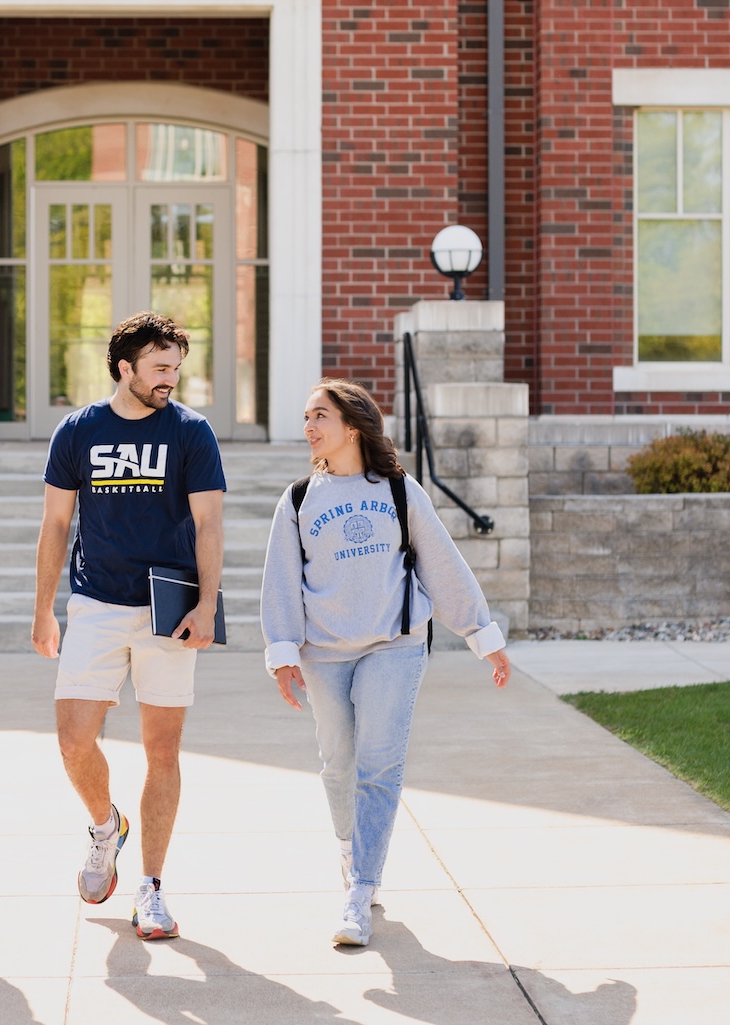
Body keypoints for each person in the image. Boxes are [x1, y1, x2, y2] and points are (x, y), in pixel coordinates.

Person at [260, 379, 509, 948]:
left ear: (352, 425)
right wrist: (282, 653)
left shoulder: (399, 490)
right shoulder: (299, 499)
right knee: (337, 764)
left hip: (394, 646)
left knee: (378, 766)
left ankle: (360, 890)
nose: (308, 427)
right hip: (323, 652)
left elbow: (441, 564)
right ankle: (351, 853)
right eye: (305, 417)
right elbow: (280, 583)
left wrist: (481, 633)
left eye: (318, 416)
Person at [31, 312, 226, 940]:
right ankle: (103, 825)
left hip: (168, 608)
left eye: (176, 367)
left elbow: (210, 526)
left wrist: (209, 605)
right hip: (95, 602)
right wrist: (42, 608)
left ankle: (151, 888)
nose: (171, 378)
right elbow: (57, 524)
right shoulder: (78, 431)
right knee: (73, 738)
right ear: (125, 368)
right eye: (160, 368)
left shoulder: (191, 432)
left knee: (162, 749)